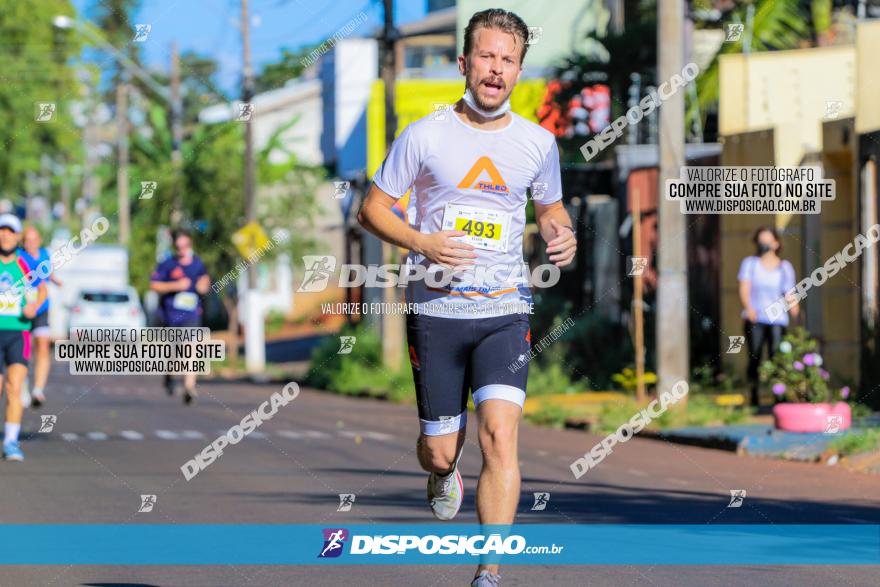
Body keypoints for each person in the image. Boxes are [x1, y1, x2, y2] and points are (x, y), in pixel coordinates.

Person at [357, 9, 576, 586]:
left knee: (500, 436)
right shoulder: (425, 134)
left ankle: (489, 572)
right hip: (435, 311)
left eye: (507, 59)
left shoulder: (537, 143)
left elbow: (551, 210)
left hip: (505, 308)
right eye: (486, 56)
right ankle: (441, 469)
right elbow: (372, 209)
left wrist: (560, 234)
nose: (495, 69)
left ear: (519, 70)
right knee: (440, 451)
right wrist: (421, 240)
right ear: (464, 63)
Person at [0, 214, 47, 461]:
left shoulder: (23, 264)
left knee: (14, 387)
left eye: (10, 231)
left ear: (17, 236)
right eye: (2, 230)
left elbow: (42, 289)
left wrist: (34, 307)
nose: (5, 235)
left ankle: (10, 442)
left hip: (18, 333)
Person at [738, 226, 799, 407]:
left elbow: (790, 294)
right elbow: (744, 288)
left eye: (767, 240)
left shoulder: (784, 267)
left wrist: (797, 315)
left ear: (776, 243)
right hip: (756, 319)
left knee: (777, 358)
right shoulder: (750, 264)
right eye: (761, 240)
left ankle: (778, 397)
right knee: (755, 358)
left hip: (777, 320)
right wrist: (749, 308)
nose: (764, 244)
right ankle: (754, 395)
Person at [149, 228, 210, 405]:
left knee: (190, 349)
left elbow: (205, 282)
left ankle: (189, 387)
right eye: (179, 246)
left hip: (191, 315)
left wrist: (202, 286)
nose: (182, 249)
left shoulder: (198, 264)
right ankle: (169, 376)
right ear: (175, 246)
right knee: (174, 354)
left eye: (186, 245)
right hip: (170, 316)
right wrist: (175, 285)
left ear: (190, 244)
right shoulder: (167, 264)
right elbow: (154, 285)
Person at [19, 226, 61, 408]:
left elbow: (48, 273)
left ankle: (38, 390)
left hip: (42, 308)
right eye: (27, 240)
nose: (31, 243)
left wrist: (55, 280)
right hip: (23, 309)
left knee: (43, 346)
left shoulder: (45, 254)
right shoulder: (19, 257)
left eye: (33, 239)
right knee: (24, 351)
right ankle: (23, 382)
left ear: (39, 240)